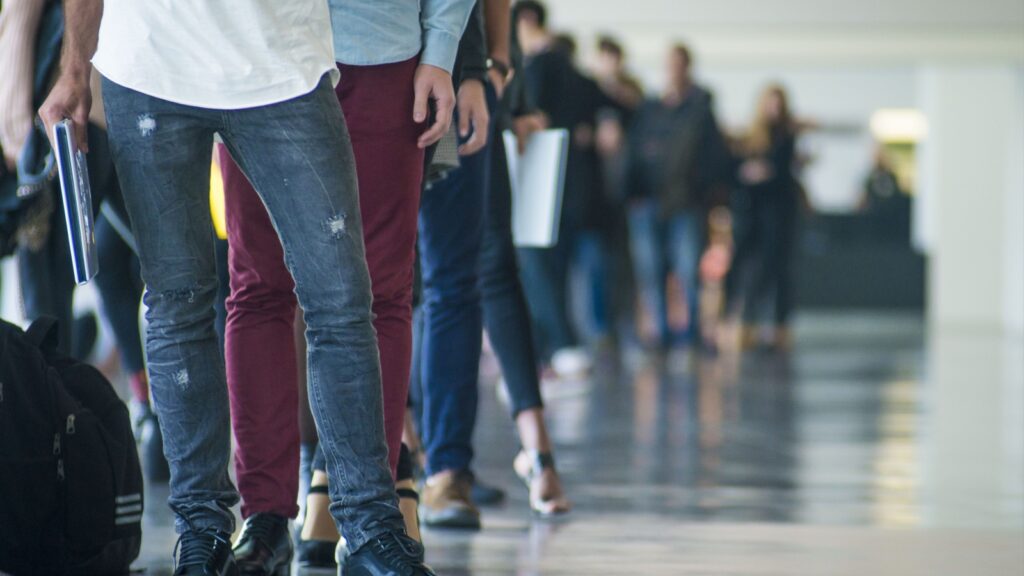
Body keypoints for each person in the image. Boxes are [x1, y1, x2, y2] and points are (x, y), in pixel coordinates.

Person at [39, 1, 433, 574]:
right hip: (150, 64)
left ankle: (370, 523)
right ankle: (201, 529)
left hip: (282, 67)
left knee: (342, 302)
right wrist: (74, 68)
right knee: (177, 305)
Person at [215, 0, 474, 571]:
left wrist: (442, 50)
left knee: (382, 291)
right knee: (259, 286)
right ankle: (264, 516)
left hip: (379, 50)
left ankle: (369, 521)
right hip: (257, 55)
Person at [514, 0, 619, 370]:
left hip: (547, 188)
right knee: (552, 269)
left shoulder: (542, 65)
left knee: (541, 268)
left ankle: (556, 346)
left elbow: (535, 118)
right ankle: (555, 346)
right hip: (572, 190)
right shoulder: (573, 71)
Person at [624, 43, 730, 351]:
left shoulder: (700, 111)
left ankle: (693, 332)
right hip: (648, 201)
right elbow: (635, 153)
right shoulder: (650, 109)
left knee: (688, 269)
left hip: (686, 202)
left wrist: (704, 194)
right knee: (651, 269)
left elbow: (714, 157)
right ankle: (660, 333)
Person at [725, 84, 803, 350]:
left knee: (777, 271)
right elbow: (737, 172)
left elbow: (778, 173)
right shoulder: (749, 137)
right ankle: (747, 325)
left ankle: (778, 328)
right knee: (749, 271)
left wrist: (762, 174)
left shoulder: (786, 137)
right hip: (751, 217)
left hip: (778, 218)